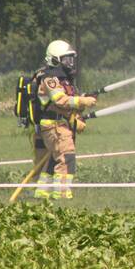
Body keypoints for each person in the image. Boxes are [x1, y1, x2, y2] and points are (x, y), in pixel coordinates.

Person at [33, 40, 96, 200]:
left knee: (52, 160)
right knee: (66, 157)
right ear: (55, 59)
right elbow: (60, 100)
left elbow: (69, 101)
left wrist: (83, 100)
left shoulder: (63, 79)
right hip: (54, 126)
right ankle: (62, 194)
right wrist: (82, 101)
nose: (71, 62)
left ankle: (42, 193)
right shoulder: (50, 78)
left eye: (72, 59)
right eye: (66, 59)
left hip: (59, 124)